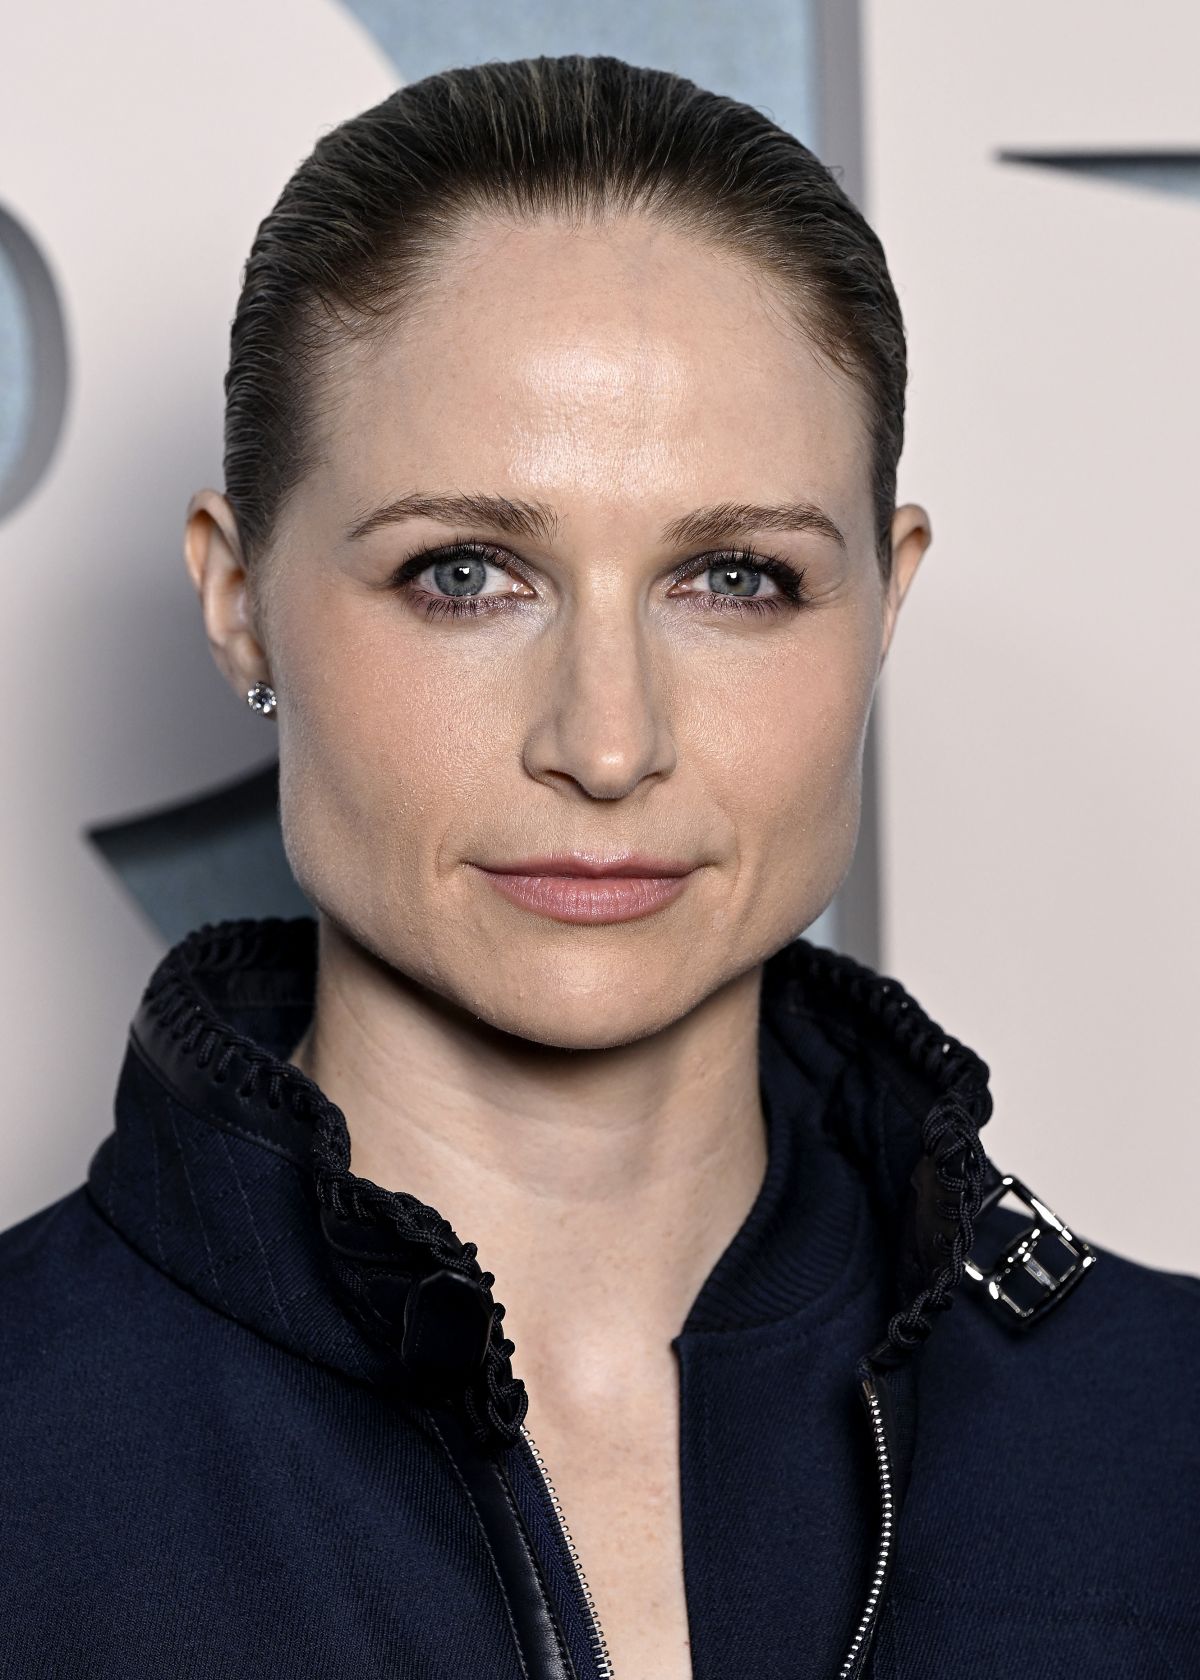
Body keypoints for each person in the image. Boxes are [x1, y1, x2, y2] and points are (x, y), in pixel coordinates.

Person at [1, 53, 1196, 1680]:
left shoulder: (1166, 1445)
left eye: (737, 578)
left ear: (886, 603)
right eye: (466, 574)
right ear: (239, 600)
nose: (610, 743)